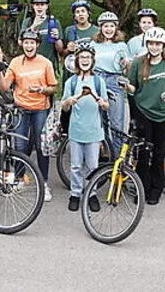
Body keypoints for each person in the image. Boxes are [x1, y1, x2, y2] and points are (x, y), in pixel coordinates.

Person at [0, 29, 58, 202]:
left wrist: (42, 89)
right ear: (22, 44)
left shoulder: (45, 63)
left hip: (40, 108)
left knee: (41, 146)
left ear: (37, 45)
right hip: (21, 108)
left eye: (32, 43)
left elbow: (53, 87)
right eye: (26, 42)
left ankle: (44, 183)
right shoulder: (16, 62)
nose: (29, 46)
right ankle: (19, 178)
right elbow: (5, 87)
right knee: (20, 146)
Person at [125, 27, 165, 205]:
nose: (154, 47)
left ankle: (156, 188)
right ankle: (142, 187)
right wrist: (126, 86)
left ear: (163, 46)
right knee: (143, 152)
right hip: (143, 111)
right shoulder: (138, 63)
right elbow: (133, 87)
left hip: (162, 114)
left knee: (159, 153)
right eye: (151, 43)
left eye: (158, 44)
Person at [61, 41, 109, 212]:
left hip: (94, 131)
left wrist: (101, 102)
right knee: (75, 166)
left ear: (93, 60)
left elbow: (106, 106)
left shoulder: (98, 81)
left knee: (92, 166)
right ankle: (75, 194)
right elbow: (64, 107)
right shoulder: (72, 82)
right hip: (76, 130)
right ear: (77, 60)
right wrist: (69, 101)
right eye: (82, 57)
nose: (85, 60)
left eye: (88, 57)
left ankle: (91, 193)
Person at [91, 12, 130, 151]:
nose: (108, 29)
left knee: (116, 122)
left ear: (116, 28)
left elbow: (126, 68)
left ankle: (117, 156)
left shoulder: (121, 45)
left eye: (111, 26)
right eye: (105, 26)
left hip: (115, 79)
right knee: (99, 120)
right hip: (97, 78)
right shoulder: (94, 44)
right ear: (100, 28)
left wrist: (126, 64)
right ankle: (104, 151)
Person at [20, 0, 64, 71]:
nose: (39, 7)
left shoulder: (53, 22)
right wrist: (33, 26)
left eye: (42, 4)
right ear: (33, 6)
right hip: (31, 66)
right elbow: (20, 43)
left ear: (47, 6)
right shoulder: (27, 21)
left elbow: (60, 50)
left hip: (49, 65)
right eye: (37, 4)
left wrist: (57, 38)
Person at [62, 0, 99, 70]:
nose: (80, 14)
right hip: (73, 68)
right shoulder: (69, 30)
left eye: (83, 11)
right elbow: (62, 54)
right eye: (77, 12)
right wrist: (68, 50)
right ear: (75, 16)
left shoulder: (97, 31)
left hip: (91, 68)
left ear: (88, 14)